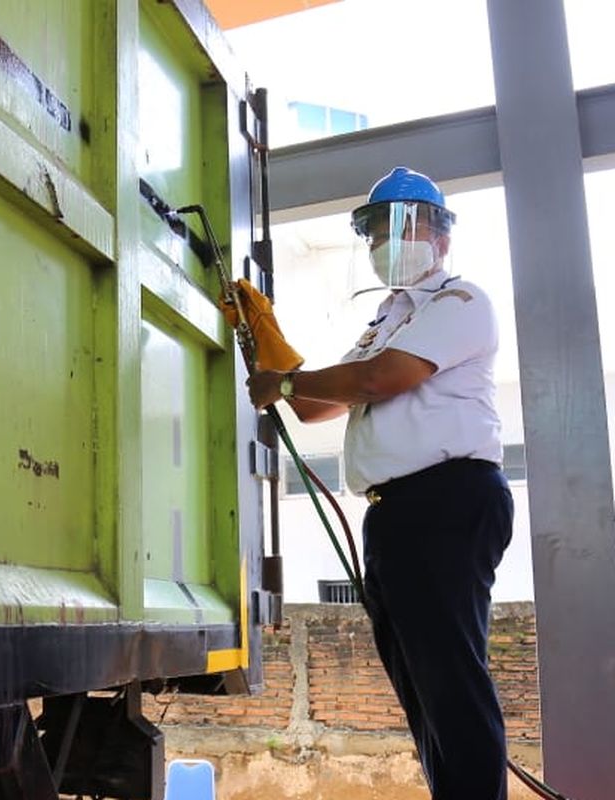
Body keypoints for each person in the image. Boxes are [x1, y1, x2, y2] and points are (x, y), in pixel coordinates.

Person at [243, 167, 514, 800]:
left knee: (450, 678)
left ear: (442, 237)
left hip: (448, 500)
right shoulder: (386, 321)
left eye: (409, 224)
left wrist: (282, 384)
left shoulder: (459, 302)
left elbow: (377, 381)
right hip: (396, 514)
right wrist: (264, 335)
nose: (389, 242)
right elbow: (316, 407)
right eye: (375, 231)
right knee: (420, 684)